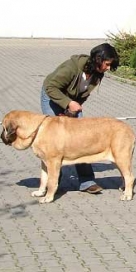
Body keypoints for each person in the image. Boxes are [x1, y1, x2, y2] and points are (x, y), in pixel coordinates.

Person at [41, 42, 120, 194]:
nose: (108, 68)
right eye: (108, 64)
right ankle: (53, 182)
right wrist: (68, 103)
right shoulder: (71, 68)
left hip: (71, 101)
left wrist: (72, 110)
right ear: (98, 59)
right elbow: (51, 87)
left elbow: (83, 94)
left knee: (80, 140)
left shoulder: (98, 74)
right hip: (52, 95)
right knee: (53, 140)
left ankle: (86, 181)